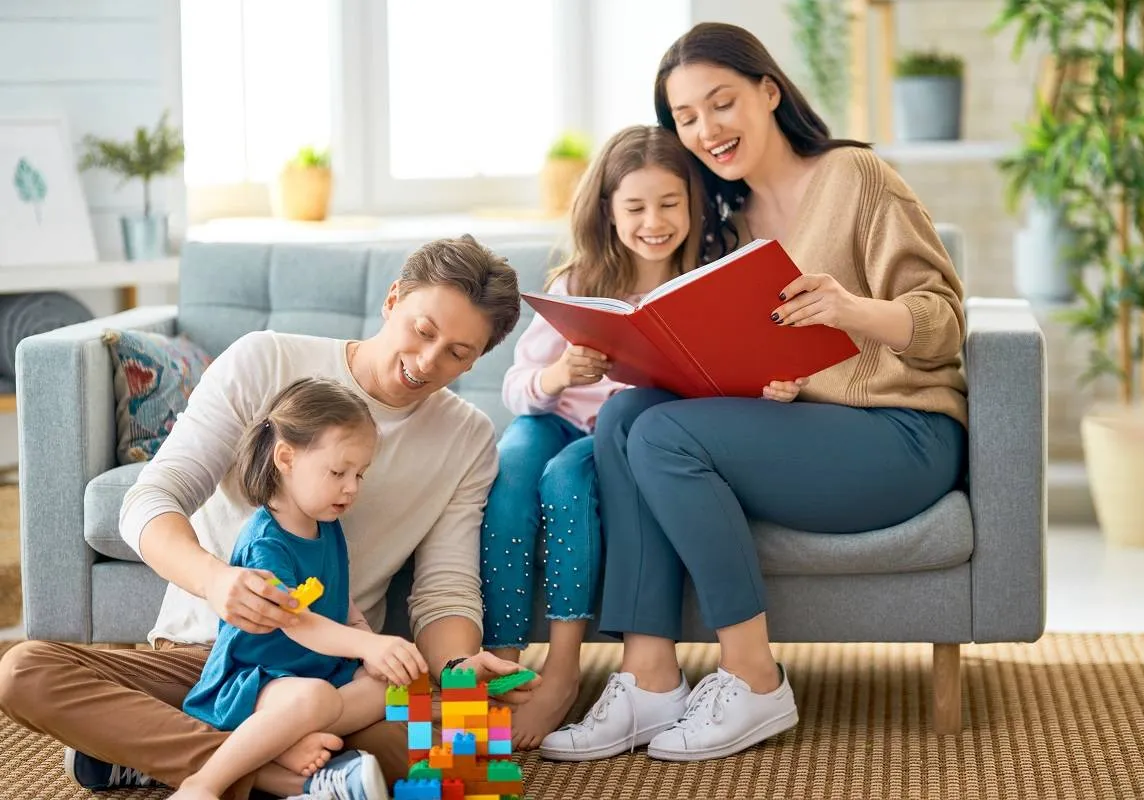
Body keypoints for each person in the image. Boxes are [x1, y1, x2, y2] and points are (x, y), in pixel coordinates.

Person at [540, 22, 968, 763]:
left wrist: (851, 309)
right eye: (687, 117)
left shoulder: (856, 177)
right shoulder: (728, 226)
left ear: (769, 92)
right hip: (807, 440)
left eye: (722, 103)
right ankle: (649, 680)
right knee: (627, 415)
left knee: (663, 433)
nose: (707, 129)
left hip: (902, 437)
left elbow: (945, 322)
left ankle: (754, 677)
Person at [0, 235, 537, 800]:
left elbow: (445, 589)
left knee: (447, 762)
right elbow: (151, 499)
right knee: (24, 672)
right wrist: (216, 581)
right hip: (210, 661)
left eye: (457, 353)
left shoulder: (467, 437)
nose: (428, 362)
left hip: (336, 672)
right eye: (423, 331)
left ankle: (153, 752)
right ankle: (272, 771)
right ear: (392, 299)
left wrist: (457, 666)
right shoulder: (265, 360)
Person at [482, 124, 705, 750]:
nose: (653, 222)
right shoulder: (578, 282)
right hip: (553, 419)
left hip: (619, 440)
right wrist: (557, 375)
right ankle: (502, 664)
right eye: (635, 207)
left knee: (565, 479)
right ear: (608, 210)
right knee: (510, 474)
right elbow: (517, 387)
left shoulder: (701, 283)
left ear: (692, 204)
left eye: (669, 204)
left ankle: (561, 670)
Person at [174, 376, 425, 800]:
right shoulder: (266, 542)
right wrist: (370, 646)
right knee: (317, 699)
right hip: (256, 680)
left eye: (360, 474)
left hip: (316, 672)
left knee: (388, 687)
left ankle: (282, 743)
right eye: (339, 472)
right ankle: (203, 783)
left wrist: (365, 640)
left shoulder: (328, 525)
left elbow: (342, 602)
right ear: (286, 458)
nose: (352, 487)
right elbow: (300, 623)